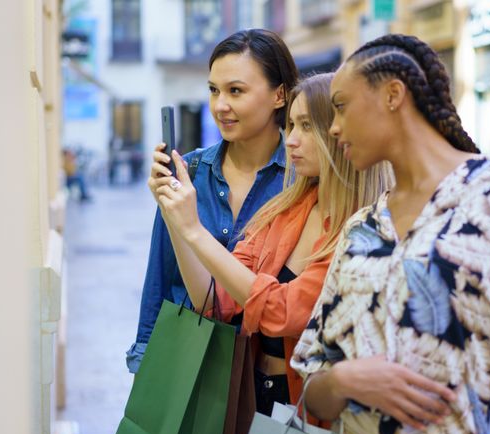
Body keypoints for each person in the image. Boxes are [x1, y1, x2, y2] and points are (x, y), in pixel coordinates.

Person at [291, 34, 490, 434]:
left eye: (342, 107)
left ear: (392, 95)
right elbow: (312, 383)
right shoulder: (361, 230)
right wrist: (345, 380)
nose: (333, 127)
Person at [152, 73, 394, 414]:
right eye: (292, 125)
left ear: (341, 131)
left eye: (308, 126)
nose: (292, 140)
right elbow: (213, 300)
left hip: (314, 412)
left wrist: (194, 230)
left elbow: (283, 312)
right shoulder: (286, 211)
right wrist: (176, 218)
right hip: (253, 400)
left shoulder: (364, 229)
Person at [125, 29, 299, 373]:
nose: (220, 106)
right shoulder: (187, 170)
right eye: (213, 90)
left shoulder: (299, 180)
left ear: (279, 95)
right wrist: (145, 361)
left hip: (264, 376)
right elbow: (160, 275)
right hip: (188, 366)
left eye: (236, 91)